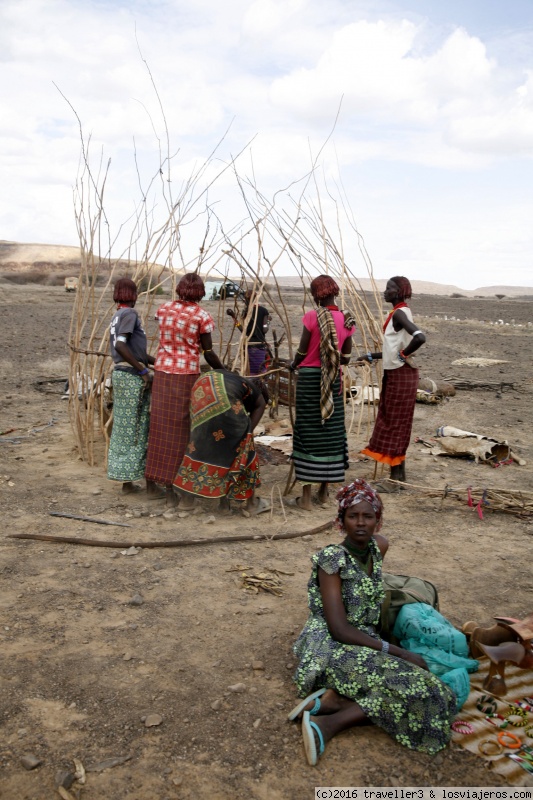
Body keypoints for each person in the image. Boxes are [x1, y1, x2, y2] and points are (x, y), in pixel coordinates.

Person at [289, 479, 456, 766]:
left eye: (368, 516)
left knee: (442, 694)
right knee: (421, 690)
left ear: (378, 521)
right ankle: (328, 724)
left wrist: (388, 648)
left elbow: (374, 567)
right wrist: (398, 652)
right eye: (352, 516)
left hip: (363, 639)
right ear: (341, 521)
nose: (360, 523)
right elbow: (339, 629)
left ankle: (335, 702)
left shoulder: (378, 547)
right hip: (329, 647)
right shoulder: (332, 560)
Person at [144, 273, 225, 504]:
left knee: (160, 428)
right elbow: (208, 353)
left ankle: (162, 484)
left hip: (162, 374)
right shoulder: (201, 316)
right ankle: (178, 486)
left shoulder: (164, 309)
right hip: (185, 376)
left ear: (180, 289)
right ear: (200, 291)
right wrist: (224, 370)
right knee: (182, 431)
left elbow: (165, 337)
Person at [288, 275, 355, 510]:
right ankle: (324, 493)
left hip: (309, 381)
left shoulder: (312, 316)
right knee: (330, 434)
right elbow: (346, 357)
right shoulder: (348, 320)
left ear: (317, 294)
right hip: (333, 381)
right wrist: (333, 365)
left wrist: (293, 364)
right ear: (334, 292)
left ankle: (305, 499)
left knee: (307, 434)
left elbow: (302, 351)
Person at [357, 276, 426, 488]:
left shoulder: (399, 313)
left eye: (390, 288)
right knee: (398, 422)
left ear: (399, 291)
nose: (385, 292)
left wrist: (404, 355)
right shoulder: (401, 312)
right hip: (399, 373)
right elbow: (392, 349)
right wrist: (372, 356)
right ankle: (399, 475)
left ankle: (395, 480)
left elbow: (420, 337)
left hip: (400, 374)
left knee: (395, 423)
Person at [173, 370, 270, 514]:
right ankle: (249, 504)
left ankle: (186, 501)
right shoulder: (255, 391)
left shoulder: (234, 379)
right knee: (242, 451)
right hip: (224, 396)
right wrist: (246, 435)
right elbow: (260, 405)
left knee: (199, 445)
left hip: (202, 387)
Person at [107, 278, 160, 496]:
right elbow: (121, 345)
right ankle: (148, 485)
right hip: (130, 377)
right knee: (138, 428)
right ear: (133, 294)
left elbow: (131, 350)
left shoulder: (117, 315)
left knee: (123, 427)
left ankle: (126, 482)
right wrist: (143, 371)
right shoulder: (130, 314)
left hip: (121, 373)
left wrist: (156, 361)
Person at [227, 290, 272, 375]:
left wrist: (234, 317)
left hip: (248, 347)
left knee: (249, 371)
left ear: (246, 300)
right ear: (256, 298)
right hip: (259, 346)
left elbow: (243, 330)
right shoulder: (264, 311)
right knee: (260, 372)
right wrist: (268, 321)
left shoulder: (246, 311)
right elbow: (265, 330)